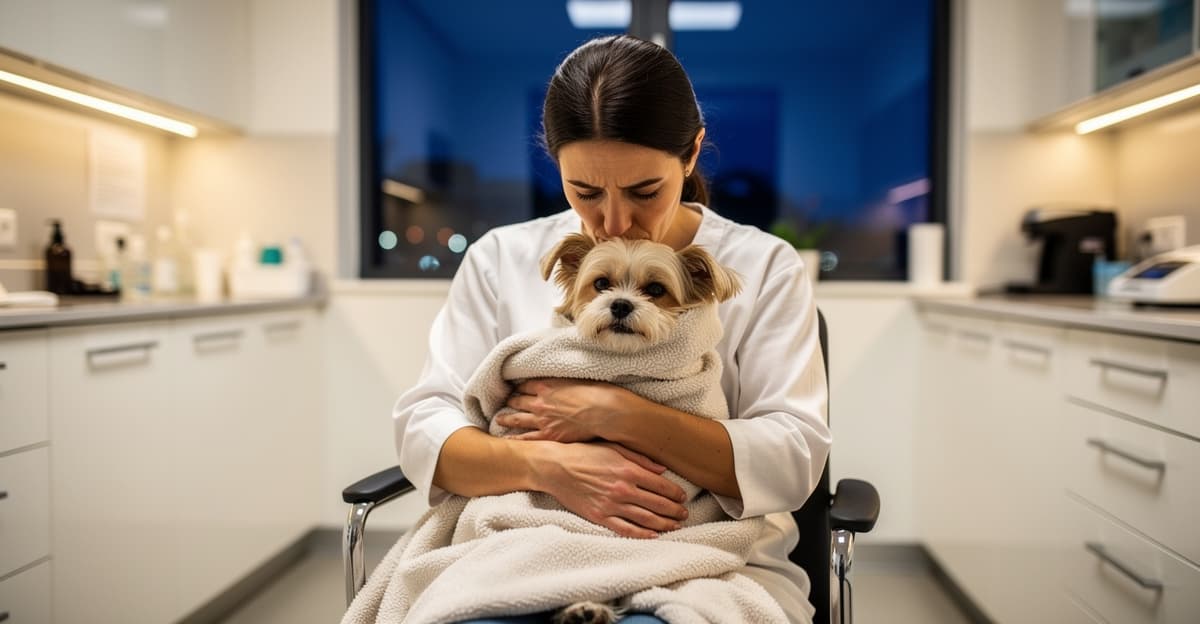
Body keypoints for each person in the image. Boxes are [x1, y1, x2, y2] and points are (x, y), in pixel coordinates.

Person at [393, 35, 831, 624]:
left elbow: (792, 457)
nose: (615, 222)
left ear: (692, 154)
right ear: (556, 166)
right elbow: (426, 429)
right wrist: (549, 467)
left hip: (699, 556)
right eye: (586, 192)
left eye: (644, 191)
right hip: (518, 545)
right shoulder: (501, 258)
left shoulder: (763, 266)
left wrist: (611, 412)